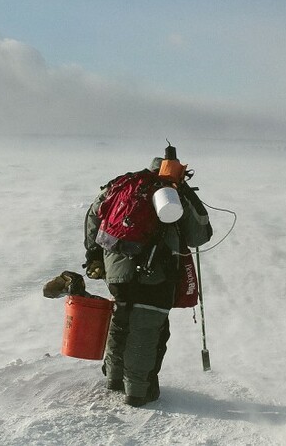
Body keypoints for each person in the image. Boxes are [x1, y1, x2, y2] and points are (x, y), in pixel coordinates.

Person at [83, 155, 213, 407]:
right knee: (146, 327)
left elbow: (93, 217)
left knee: (121, 320)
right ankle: (137, 392)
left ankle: (114, 380)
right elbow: (200, 235)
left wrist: (94, 256)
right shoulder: (172, 195)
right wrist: (184, 191)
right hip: (157, 273)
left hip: (116, 269)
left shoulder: (123, 185)